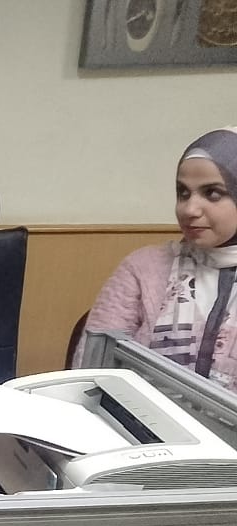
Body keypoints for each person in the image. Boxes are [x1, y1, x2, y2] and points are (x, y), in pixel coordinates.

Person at [79, 127, 237, 391]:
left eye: (212, 193)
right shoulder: (143, 269)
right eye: (183, 193)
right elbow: (91, 374)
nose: (190, 209)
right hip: (136, 417)